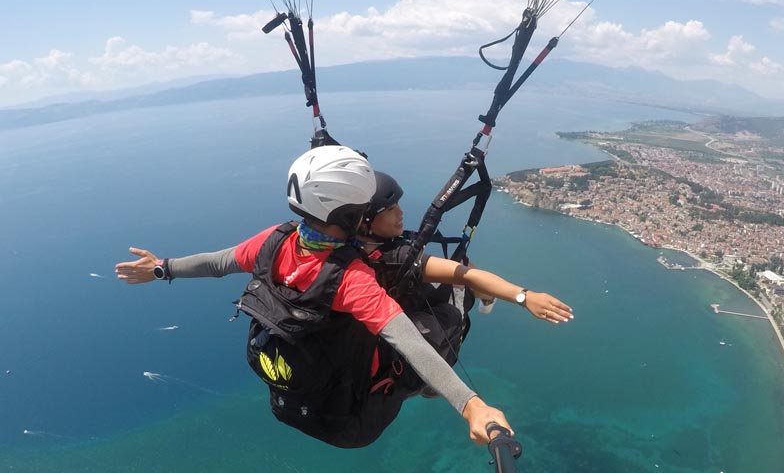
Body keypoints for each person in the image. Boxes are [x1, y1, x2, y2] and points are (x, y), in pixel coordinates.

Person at [115, 145, 512, 449]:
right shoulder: (349, 279)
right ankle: (423, 386)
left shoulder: (276, 241)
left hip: (299, 405)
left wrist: (162, 267)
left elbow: (217, 262)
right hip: (353, 422)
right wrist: (471, 405)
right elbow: (409, 343)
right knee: (447, 315)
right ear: (353, 216)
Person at [358, 170, 573, 370]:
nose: (400, 212)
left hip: (391, 330)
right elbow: (465, 274)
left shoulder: (347, 250)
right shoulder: (397, 258)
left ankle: (487, 297)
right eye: (390, 209)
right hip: (422, 354)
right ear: (364, 221)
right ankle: (487, 297)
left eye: (398, 204)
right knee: (463, 274)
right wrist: (524, 297)